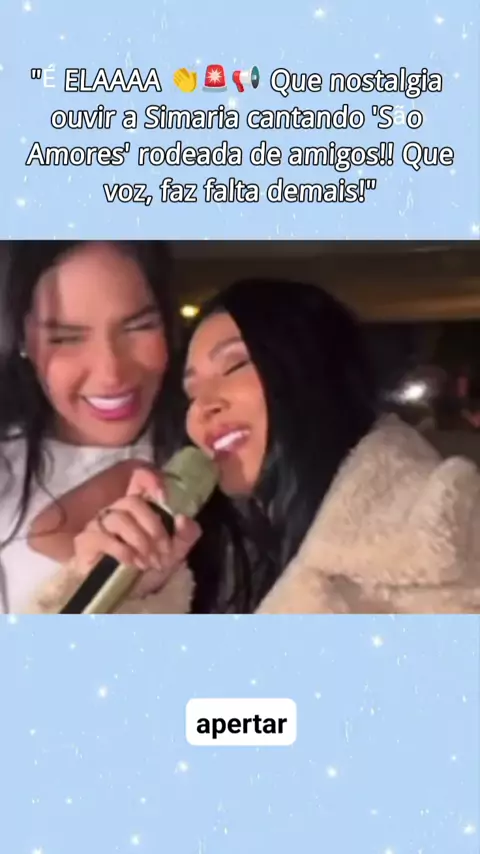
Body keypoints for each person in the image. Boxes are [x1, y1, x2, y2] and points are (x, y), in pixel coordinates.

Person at [29, 278, 480, 614]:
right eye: (190, 393)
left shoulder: (446, 531)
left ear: (312, 371)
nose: (202, 407)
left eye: (233, 366)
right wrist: (127, 597)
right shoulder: (214, 561)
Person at [0, 240, 199, 614]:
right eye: (66, 338)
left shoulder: (217, 459)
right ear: (22, 338)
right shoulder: (7, 471)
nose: (111, 374)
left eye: (138, 327)